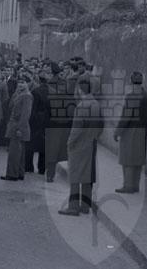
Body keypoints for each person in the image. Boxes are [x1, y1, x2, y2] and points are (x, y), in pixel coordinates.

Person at [59, 74, 101, 216]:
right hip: (91, 144)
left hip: (79, 145)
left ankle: (73, 207)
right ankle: (85, 205)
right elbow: (101, 126)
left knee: (75, 176)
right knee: (87, 175)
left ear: (79, 90)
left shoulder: (81, 106)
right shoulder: (96, 104)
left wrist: (69, 143)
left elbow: (76, 129)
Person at [113, 71, 147, 193]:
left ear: (131, 81)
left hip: (130, 130)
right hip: (142, 129)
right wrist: (146, 131)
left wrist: (117, 131)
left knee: (128, 159)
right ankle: (135, 185)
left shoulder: (131, 96)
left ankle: (128, 185)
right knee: (137, 159)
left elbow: (126, 117)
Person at [1, 73, 33, 181]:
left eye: (23, 82)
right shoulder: (19, 94)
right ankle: (19, 173)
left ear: (28, 84)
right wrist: (16, 93)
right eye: (19, 82)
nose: (20, 84)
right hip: (15, 125)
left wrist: (20, 128)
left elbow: (25, 114)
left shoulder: (27, 96)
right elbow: (10, 106)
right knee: (20, 152)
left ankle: (12, 174)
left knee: (14, 152)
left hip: (18, 125)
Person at [28, 71, 50, 175]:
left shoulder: (35, 91)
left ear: (39, 80)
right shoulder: (53, 92)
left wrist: (31, 121)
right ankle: (42, 168)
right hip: (47, 121)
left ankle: (29, 166)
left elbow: (33, 109)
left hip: (36, 121)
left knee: (31, 144)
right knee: (44, 146)